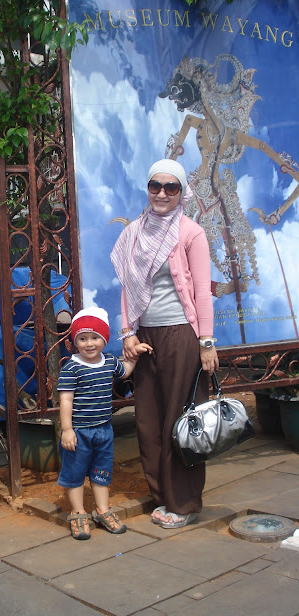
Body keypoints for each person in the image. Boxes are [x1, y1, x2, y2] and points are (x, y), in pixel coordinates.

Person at [110, 158, 219, 529]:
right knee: (148, 421)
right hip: (146, 338)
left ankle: (183, 503)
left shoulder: (190, 233)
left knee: (180, 419)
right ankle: (162, 496)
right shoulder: (134, 233)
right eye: (155, 185)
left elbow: (201, 292)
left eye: (171, 187)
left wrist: (206, 342)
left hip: (180, 335)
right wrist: (128, 333)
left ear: (181, 192)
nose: (161, 193)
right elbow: (128, 288)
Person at [58, 306, 152, 540]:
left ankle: (102, 510)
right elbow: (66, 400)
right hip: (79, 432)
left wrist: (135, 354)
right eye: (83, 338)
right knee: (75, 474)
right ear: (75, 341)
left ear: (104, 339)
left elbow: (125, 371)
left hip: (104, 430)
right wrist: (67, 430)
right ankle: (78, 512)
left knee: (102, 473)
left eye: (95, 337)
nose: (89, 344)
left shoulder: (109, 362)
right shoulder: (71, 368)